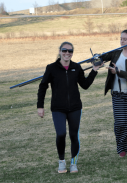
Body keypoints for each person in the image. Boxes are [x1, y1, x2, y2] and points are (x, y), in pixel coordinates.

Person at [37, 41, 103, 173]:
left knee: (74, 135)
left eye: (70, 51)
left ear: (72, 53)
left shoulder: (76, 67)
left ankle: (73, 163)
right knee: (61, 134)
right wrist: (40, 106)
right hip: (58, 108)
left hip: (75, 108)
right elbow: (43, 86)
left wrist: (94, 70)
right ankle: (61, 161)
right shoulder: (51, 68)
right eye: (64, 50)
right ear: (60, 51)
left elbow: (85, 85)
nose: (67, 53)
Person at [100, 29, 127, 160]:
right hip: (117, 95)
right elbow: (102, 57)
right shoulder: (116, 53)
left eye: (125, 39)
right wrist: (97, 57)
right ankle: (122, 147)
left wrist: (118, 72)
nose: (122, 41)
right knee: (120, 123)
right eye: (121, 39)